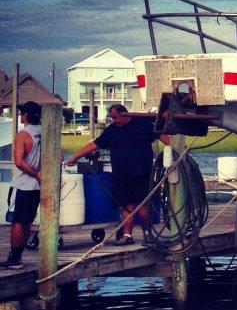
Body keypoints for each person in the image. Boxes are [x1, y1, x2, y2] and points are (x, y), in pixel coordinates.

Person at [65, 104, 168, 244]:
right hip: (122, 175)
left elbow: (162, 136)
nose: (114, 120)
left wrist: (176, 151)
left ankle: (148, 234)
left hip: (142, 173)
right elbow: (95, 144)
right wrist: (75, 157)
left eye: (116, 117)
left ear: (125, 115)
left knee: (143, 204)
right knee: (126, 205)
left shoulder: (143, 124)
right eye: (112, 118)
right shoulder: (111, 130)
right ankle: (127, 235)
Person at [4, 101, 43, 269]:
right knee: (27, 220)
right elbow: (60, 156)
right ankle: (18, 256)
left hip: (22, 185)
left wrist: (35, 173)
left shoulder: (23, 135)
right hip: (37, 187)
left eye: (21, 113)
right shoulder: (46, 133)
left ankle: (15, 258)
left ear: (25, 115)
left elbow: (19, 162)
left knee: (18, 221)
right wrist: (41, 174)